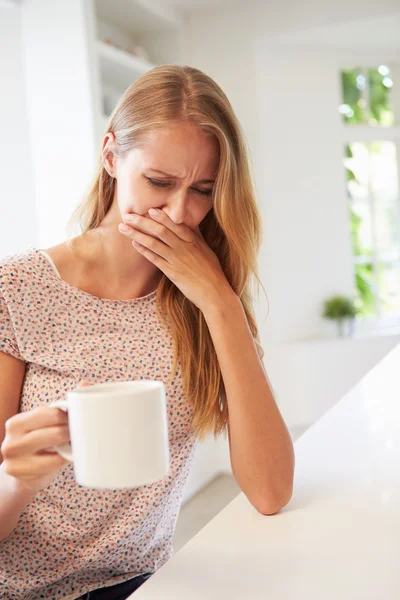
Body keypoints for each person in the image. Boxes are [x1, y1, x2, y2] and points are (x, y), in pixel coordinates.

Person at [0, 65, 293, 600]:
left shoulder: (208, 300)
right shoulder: (16, 289)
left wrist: (221, 305)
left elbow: (271, 491)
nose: (180, 214)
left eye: (203, 191)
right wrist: (16, 481)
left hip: (143, 584)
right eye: (159, 182)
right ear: (111, 157)